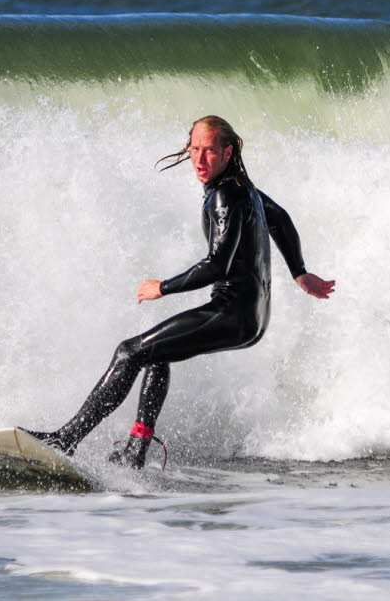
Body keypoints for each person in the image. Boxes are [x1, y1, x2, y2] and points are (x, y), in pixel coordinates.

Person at [22, 115, 335, 468]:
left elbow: (217, 265)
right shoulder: (243, 188)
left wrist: (163, 287)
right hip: (252, 317)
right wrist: (300, 272)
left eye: (210, 152)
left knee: (128, 352)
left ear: (228, 152)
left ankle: (66, 440)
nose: (200, 161)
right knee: (156, 353)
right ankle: (136, 450)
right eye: (194, 150)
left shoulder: (226, 196)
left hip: (232, 313)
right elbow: (281, 218)